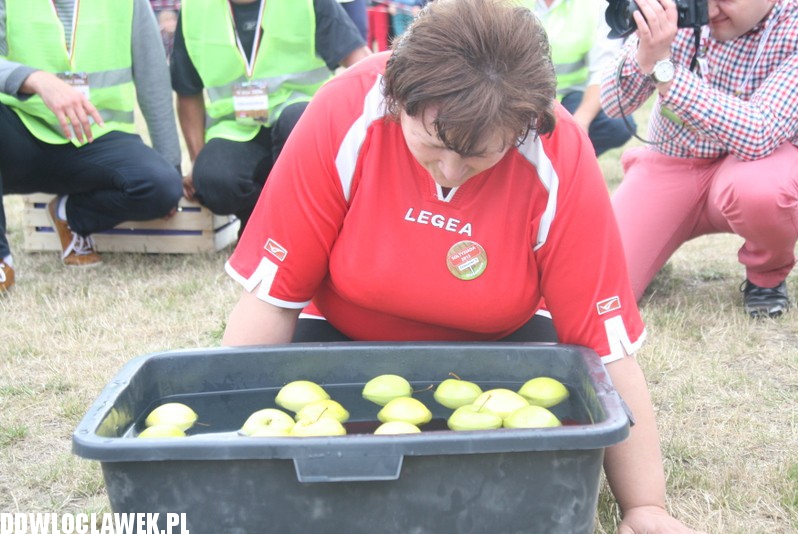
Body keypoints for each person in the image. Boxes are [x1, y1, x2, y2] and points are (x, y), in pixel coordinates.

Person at [221, 0, 703, 531]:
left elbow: (604, 351)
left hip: (502, 350)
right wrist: (225, 453)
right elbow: (272, 301)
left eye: (478, 156)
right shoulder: (343, 112)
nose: (451, 170)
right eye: (431, 144)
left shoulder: (559, 151)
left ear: (525, 126)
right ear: (397, 98)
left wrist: (645, 508)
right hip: (340, 343)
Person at [599, 0, 798, 317]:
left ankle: (766, 276)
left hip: (753, 168)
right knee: (602, 283)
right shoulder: (678, 7)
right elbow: (613, 105)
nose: (709, 11)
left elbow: (760, 130)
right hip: (672, 163)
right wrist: (646, 53)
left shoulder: (794, 25)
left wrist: (666, 73)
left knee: (762, 192)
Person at [0, 0, 183, 293]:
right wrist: (36, 79)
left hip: (97, 139)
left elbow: (154, 80)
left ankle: (68, 214)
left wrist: (171, 164)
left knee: (162, 186)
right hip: (23, 135)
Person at [171, 0, 371, 234]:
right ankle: (259, 227)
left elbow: (362, 63)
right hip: (236, 128)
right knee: (211, 178)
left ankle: (304, 226)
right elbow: (187, 92)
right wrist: (196, 158)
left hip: (300, 117)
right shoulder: (195, 7)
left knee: (297, 123)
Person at [530, 0, 635, 156]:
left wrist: (581, 122)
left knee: (617, 124)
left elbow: (603, 71)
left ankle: (569, 158)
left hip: (568, 96)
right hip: (516, 94)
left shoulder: (597, 4)